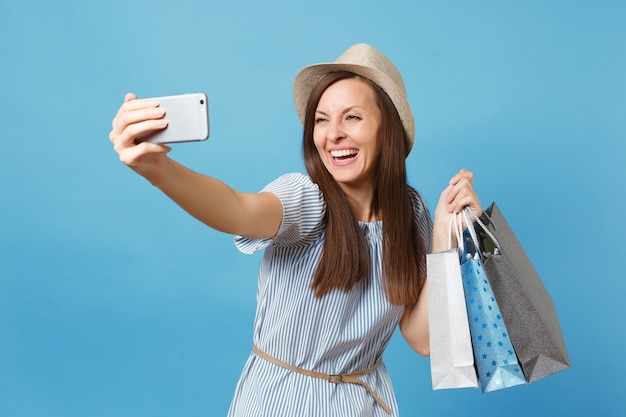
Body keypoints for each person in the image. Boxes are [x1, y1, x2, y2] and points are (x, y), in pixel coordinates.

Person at [109, 43, 482, 416]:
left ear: (388, 128)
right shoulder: (307, 198)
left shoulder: (410, 212)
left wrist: (445, 241)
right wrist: (161, 172)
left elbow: (424, 340)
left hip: (363, 404)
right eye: (321, 119)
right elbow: (238, 208)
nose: (333, 134)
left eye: (351, 117)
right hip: (283, 403)